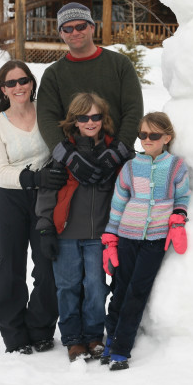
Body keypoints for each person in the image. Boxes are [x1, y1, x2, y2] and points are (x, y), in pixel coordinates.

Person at [0, 60, 66, 354]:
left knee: (48, 265)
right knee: (11, 267)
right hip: (10, 200)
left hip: (46, 199)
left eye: (23, 81)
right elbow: (1, 171)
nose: (18, 87)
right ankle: (14, 335)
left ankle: (41, 328)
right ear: (3, 89)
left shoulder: (47, 112)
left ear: (32, 82)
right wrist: (32, 177)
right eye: (11, 83)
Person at [100, 112, 191, 371]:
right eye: (142, 135)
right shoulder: (130, 166)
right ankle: (110, 340)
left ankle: (121, 349)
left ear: (167, 137)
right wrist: (110, 237)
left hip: (154, 240)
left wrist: (178, 218)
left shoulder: (175, 165)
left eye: (153, 135)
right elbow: (119, 202)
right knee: (119, 290)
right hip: (127, 235)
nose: (147, 140)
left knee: (137, 292)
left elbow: (182, 196)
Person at [35, 92, 120, 362]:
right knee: (68, 286)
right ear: (75, 121)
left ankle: (94, 335)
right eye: (84, 117)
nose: (91, 122)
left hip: (99, 235)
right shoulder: (64, 154)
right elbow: (48, 193)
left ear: (103, 119)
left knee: (96, 287)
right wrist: (45, 227)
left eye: (96, 116)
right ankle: (73, 338)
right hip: (66, 234)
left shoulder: (114, 154)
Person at [37, 2, 143, 185]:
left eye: (81, 26)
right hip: (74, 167)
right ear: (61, 33)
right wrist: (69, 157)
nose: (75, 32)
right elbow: (47, 118)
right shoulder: (53, 74)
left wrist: (119, 150)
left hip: (117, 163)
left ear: (92, 27)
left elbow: (133, 110)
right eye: (68, 28)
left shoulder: (120, 65)